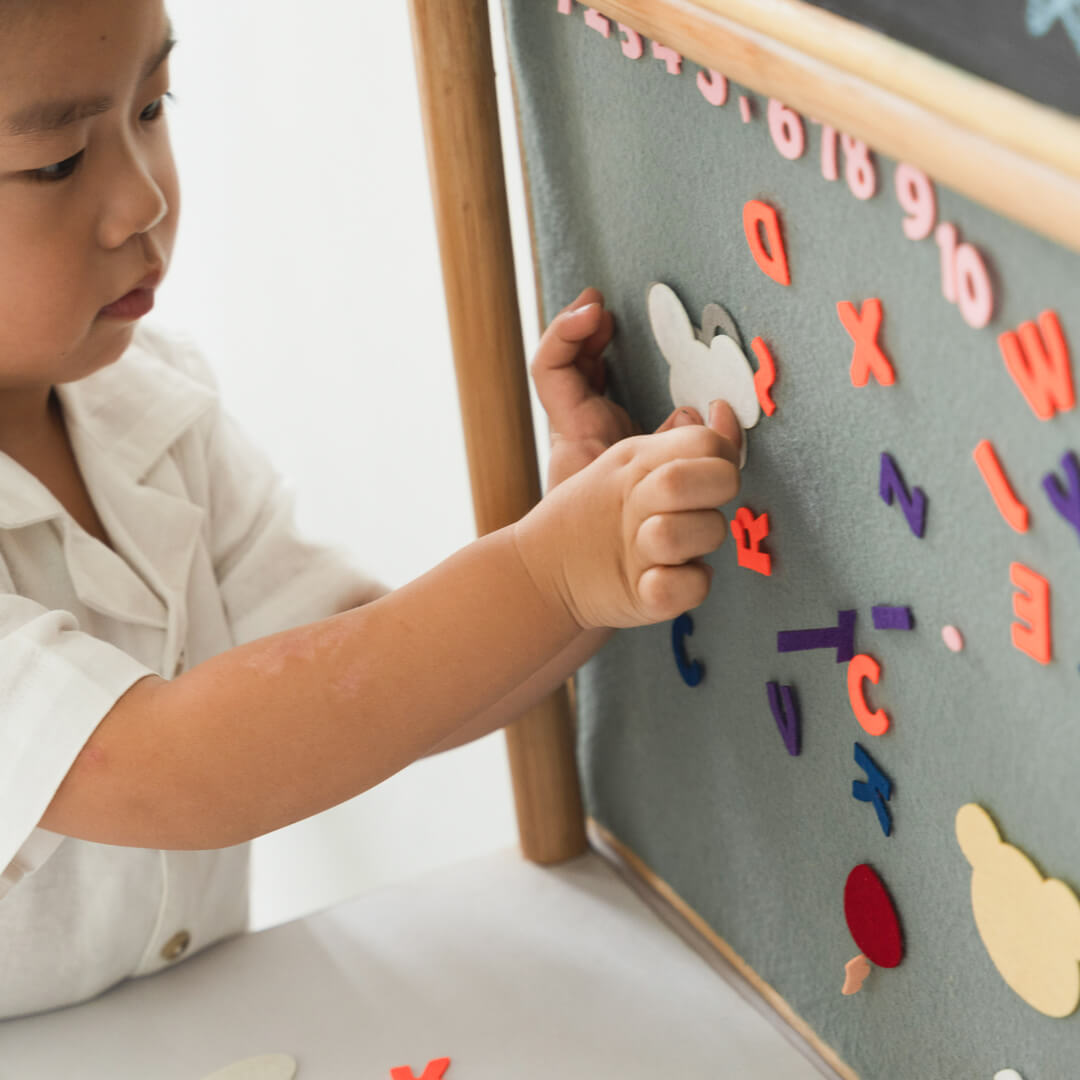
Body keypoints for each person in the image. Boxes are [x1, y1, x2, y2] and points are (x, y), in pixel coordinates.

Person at [0, 0, 742, 1020]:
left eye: (154, 106)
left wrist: (577, 547)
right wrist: (541, 571)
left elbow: (376, 689)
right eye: (54, 162)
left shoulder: (152, 407)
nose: (143, 200)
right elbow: (170, 768)